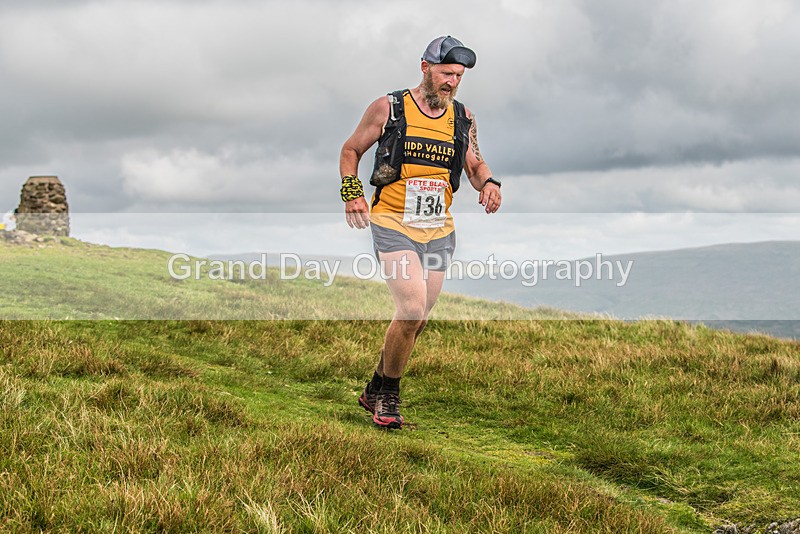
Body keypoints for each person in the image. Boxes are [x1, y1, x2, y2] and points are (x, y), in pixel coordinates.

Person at [339, 36, 502, 429]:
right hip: (392, 222)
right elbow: (350, 150)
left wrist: (491, 183)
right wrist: (352, 193)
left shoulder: (463, 117)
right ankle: (389, 398)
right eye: (446, 73)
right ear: (425, 67)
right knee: (410, 309)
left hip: (438, 229)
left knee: (420, 318)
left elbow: (475, 165)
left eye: (458, 76)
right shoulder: (389, 107)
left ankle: (374, 387)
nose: (452, 82)